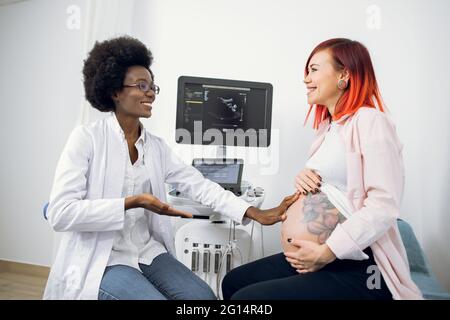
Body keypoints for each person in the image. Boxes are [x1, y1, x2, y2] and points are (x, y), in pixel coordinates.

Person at [43, 36, 298, 300]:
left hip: (145, 250)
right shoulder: (87, 139)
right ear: (115, 92)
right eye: (142, 86)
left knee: (203, 298)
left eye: (153, 87)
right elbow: (60, 213)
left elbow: (198, 185)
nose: (151, 93)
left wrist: (254, 212)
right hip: (102, 257)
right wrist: (131, 202)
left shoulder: (156, 148)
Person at [222, 38, 423, 300]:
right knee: (234, 282)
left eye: (314, 69)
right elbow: (336, 182)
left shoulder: (370, 121)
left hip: (358, 264)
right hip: (321, 257)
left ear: (344, 75)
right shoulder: (328, 129)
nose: (306, 78)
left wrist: (326, 251)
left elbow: (383, 205)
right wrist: (304, 176)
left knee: (248, 299)